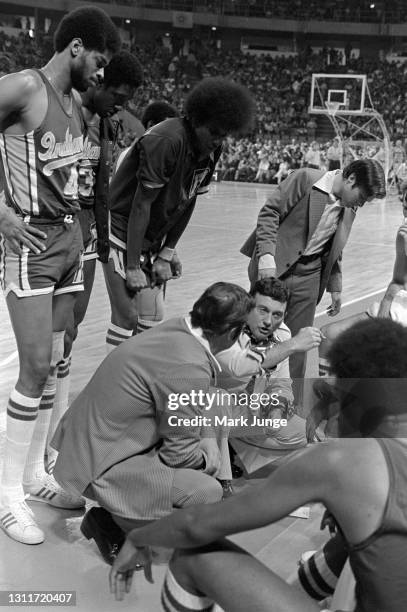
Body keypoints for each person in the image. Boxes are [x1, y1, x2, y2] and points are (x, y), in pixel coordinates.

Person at [109, 318, 407, 612]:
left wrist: (138, 537)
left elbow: (194, 526)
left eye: (334, 378)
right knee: (350, 541)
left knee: (192, 556)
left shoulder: (344, 461)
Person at [0, 6, 120, 545]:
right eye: (99, 59)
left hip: (71, 242)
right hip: (31, 242)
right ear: (75, 46)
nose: (101, 72)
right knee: (35, 367)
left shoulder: (77, 106)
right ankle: (5, 497)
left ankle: (31, 477)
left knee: (56, 365)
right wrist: (0, 214)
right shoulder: (26, 87)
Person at [51, 282, 253, 563]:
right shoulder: (190, 366)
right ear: (233, 332)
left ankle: (128, 508)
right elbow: (179, 456)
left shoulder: (177, 329)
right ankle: (112, 521)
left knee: (216, 398)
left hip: (93, 442)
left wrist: (206, 436)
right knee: (206, 492)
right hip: (100, 462)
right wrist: (211, 460)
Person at [45, 51, 144, 474]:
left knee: (68, 334)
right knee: (46, 347)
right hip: (46, 231)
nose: (120, 108)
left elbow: (100, 187)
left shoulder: (104, 123)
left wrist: (102, 239)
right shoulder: (58, 109)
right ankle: (37, 447)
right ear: (97, 83)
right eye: (116, 97)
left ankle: (54, 440)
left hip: (84, 232)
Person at [104, 77, 255, 349]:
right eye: (214, 132)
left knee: (152, 316)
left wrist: (167, 252)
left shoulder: (212, 148)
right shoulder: (166, 140)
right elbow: (140, 206)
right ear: (196, 119)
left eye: (224, 134)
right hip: (119, 228)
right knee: (126, 317)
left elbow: (188, 199)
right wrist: (132, 265)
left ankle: (140, 383)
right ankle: (114, 386)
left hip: (152, 236)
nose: (219, 140)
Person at [240, 159, 386, 400]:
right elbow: (270, 213)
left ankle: (287, 411)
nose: (363, 202)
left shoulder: (350, 209)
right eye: (363, 195)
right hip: (274, 270)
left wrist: (335, 286)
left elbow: (335, 248)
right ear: (350, 179)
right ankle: (242, 402)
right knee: (257, 338)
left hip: (310, 276)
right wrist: (266, 255)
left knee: (298, 347)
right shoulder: (306, 178)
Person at [216, 278, 323, 473]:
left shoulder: (282, 334)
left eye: (277, 314)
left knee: (303, 433)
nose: (268, 321)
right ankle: (214, 461)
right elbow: (241, 367)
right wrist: (292, 345)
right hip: (206, 410)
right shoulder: (226, 329)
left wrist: (278, 408)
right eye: (262, 310)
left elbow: (281, 383)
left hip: (246, 411)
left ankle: (233, 445)